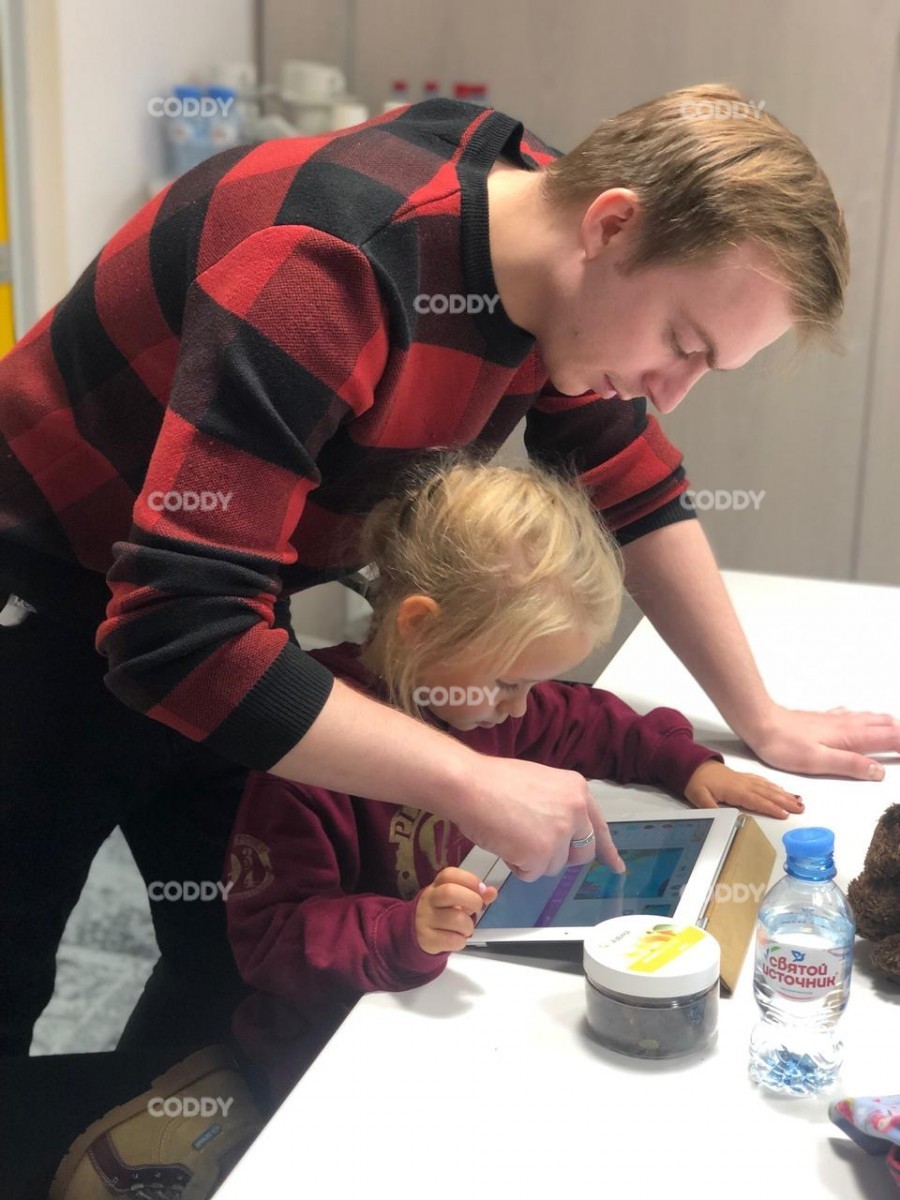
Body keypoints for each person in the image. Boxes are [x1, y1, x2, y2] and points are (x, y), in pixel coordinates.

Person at [1, 81, 895, 1058]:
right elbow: (176, 635)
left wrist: (759, 715)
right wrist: (471, 781)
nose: (669, 393)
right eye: (681, 343)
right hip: (41, 594)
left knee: (231, 954)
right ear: (611, 226)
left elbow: (629, 481)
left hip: (218, 605)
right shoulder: (330, 270)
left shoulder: (553, 253)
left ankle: (163, 1125)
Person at [224, 458, 805, 1105]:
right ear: (420, 626)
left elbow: (588, 720)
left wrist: (686, 762)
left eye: (533, 684)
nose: (522, 707)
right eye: (508, 683)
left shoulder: (482, 704)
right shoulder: (308, 758)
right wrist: (405, 929)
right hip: (330, 1056)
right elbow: (269, 939)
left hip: (454, 1007)